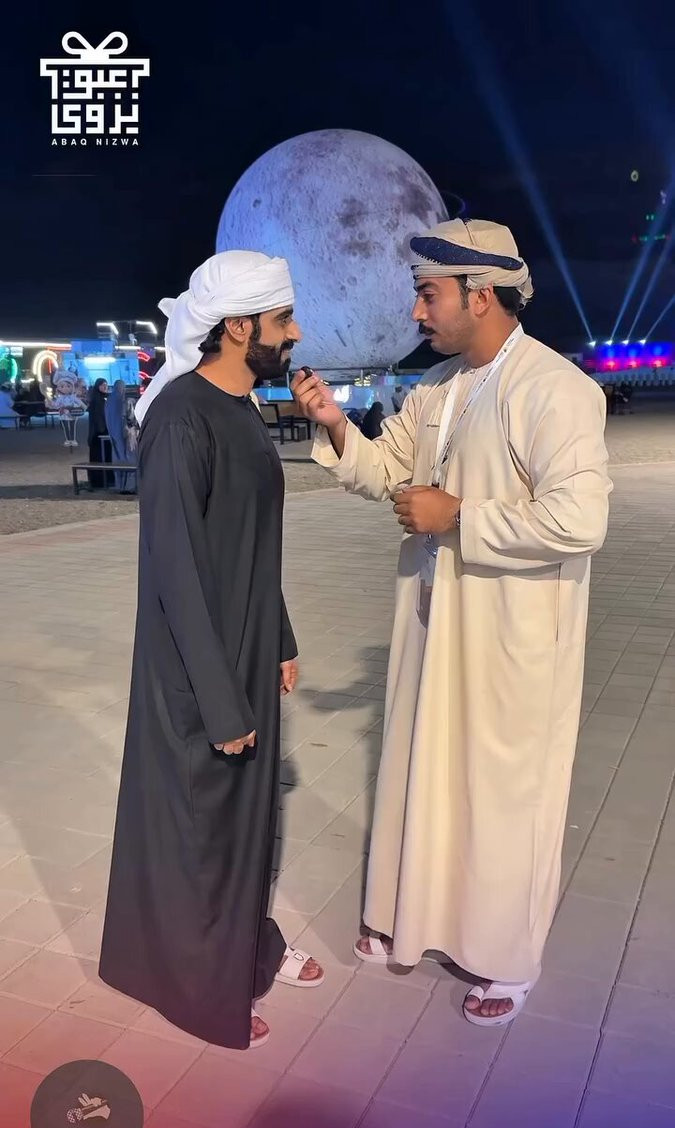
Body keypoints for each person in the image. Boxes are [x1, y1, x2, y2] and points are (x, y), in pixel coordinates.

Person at [292, 218, 611, 1026]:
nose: (416, 312)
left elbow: (580, 521)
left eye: (427, 294)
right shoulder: (436, 386)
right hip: (434, 623)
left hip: (512, 636)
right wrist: (335, 424)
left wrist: (459, 515)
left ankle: (505, 960)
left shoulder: (554, 388)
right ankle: (416, 920)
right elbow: (385, 471)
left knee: (501, 797)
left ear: (480, 295)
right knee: (421, 770)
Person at [99, 250, 324, 1051]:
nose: (294, 334)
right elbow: (176, 567)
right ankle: (200, 988)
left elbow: (250, 544)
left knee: (244, 823)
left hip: (245, 647)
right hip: (198, 666)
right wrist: (222, 700)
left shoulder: (241, 407)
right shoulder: (181, 417)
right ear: (237, 327)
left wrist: (279, 638)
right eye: (282, 320)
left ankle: (244, 948)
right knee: (204, 829)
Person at [105, 380, 136, 492]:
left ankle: (119, 485)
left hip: (113, 434)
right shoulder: (122, 401)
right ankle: (128, 486)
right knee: (128, 458)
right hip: (124, 435)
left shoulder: (109, 401)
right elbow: (128, 418)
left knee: (117, 457)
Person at [87, 378, 111, 489]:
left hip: (102, 434)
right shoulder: (97, 400)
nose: (105, 387)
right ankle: (99, 481)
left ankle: (105, 480)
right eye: (102, 385)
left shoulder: (104, 399)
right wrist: (103, 430)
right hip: (98, 435)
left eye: (106, 385)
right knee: (99, 457)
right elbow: (98, 418)